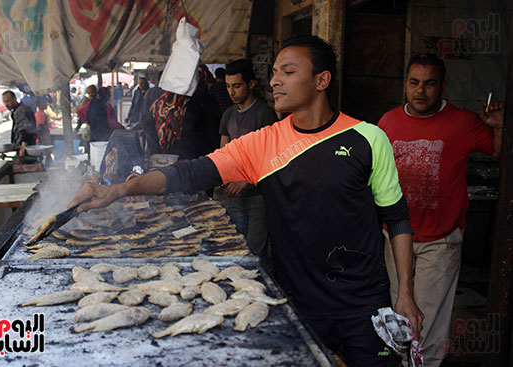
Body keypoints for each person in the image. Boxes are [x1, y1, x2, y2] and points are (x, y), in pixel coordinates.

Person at [70, 36, 423, 366]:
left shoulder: (368, 138)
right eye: (274, 74)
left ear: (321, 80)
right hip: (297, 301)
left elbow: (398, 217)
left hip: (365, 304)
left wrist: (405, 291)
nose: (275, 82)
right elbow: (191, 173)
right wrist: (117, 190)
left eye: (288, 72)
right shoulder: (262, 143)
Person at [379, 53, 504, 367]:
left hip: (441, 239)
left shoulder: (463, 122)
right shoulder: (388, 122)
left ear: (443, 87)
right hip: (397, 237)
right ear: (405, 85)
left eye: (430, 84)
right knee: (401, 312)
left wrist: (499, 127)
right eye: (414, 83)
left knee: (429, 321)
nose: (421, 91)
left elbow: (498, 150)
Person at [219, 58, 278, 264]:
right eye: (228, 86)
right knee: (236, 248)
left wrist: (245, 181)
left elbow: (272, 157)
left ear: (251, 84)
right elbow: (223, 151)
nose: (231, 92)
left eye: (237, 85)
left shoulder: (265, 114)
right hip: (233, 195)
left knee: (255, 254)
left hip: (258, 197)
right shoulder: (228, 115)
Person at [140, 68, 222, 160]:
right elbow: (213, 134)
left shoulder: (152, 94)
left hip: (156, 157)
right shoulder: (202, 99)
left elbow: (144, 122)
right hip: (191, 161)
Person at [2, 90, 37, 158]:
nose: (6, 104)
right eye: (4, 102)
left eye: (8, 101)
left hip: (26, 147)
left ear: (14, 99)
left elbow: (25, 129)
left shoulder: (20, 111)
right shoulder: (18, 109)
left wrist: (23, 147)